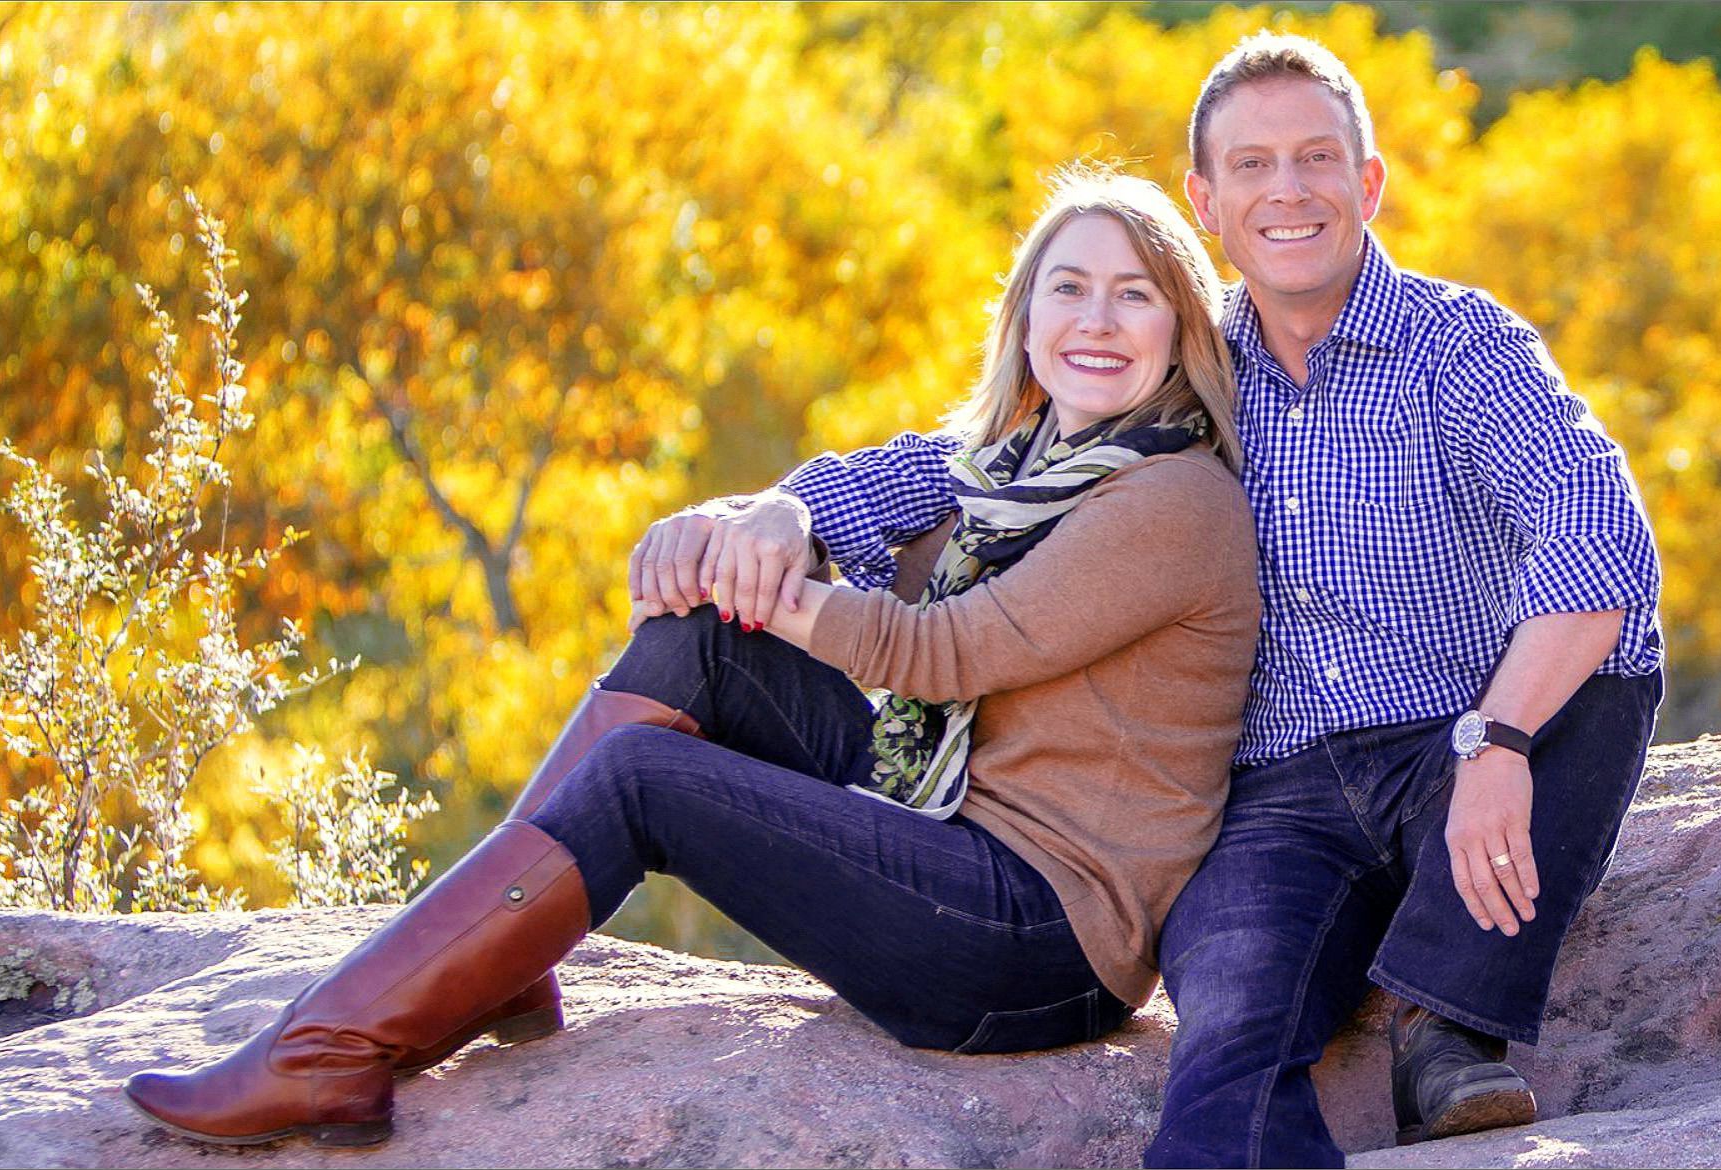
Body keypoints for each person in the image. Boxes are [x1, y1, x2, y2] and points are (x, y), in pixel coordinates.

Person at [631, 32, 1664, 1169]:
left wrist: (1502, 738)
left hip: (1452, 747)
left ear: (1367, 184)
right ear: (1206, 199)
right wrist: (792, 509)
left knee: (1609, 669)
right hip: (1276, 799)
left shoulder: (1460, 345)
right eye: (1253, 166)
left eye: (1317, 159)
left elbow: (1601, 534)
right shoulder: (1184, 357)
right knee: (1226, 1050)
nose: (1289, 191)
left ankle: (1447, 1025)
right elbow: (968, 459)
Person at [121, 166, 1262, 1148]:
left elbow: (946, 654)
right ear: (1023, 319)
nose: (1097, 320)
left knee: (646, 782)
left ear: (1180, 331)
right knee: (702, 644)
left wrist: (775, 583)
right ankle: (504, 956)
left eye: (1135, 295)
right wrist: (733, 530)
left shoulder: (1171, 499)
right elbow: (860, 488)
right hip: (953, 826)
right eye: (1069, 288)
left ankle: (336, 1047)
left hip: (1036, 940)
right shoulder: (1015, 466)